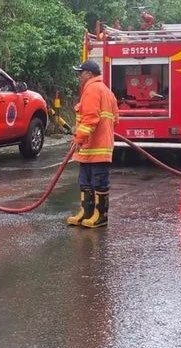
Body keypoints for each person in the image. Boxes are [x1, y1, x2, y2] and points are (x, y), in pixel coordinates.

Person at [66, 59, 119, 228]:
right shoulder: (106, 91)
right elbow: (116, 119)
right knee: (86, 181)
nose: (79, 76)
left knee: (98, 181)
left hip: (95, 147)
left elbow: (90, 118)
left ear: (89, 73)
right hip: (91, 148)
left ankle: (100, 215)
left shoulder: (92, 89)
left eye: (80, 73)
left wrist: (79, 138)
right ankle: (87, 212)